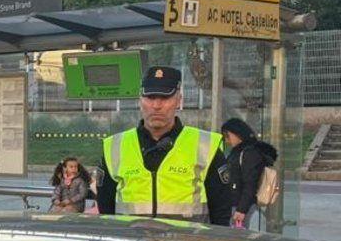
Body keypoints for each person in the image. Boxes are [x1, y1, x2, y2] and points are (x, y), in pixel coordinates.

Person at [96, 66, 230, 225]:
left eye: (165, 98)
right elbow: (106, 208)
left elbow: (221, 211)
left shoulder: (205, 145)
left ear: (179, 100)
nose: (156, 106)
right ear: (140, 101)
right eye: (150, 97)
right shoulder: (114, 146)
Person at [222, 117, 278, 229]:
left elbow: (250, 184)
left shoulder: (249, 153)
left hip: (242, 206)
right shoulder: (238, 151)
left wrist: (241, 210)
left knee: (239, 239)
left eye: (227, 136)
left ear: (237, 133)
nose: (226, 140)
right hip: (236, 204)